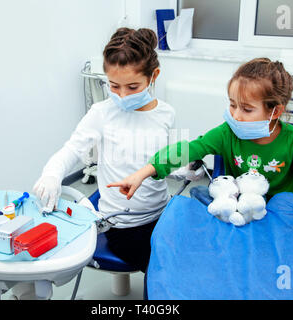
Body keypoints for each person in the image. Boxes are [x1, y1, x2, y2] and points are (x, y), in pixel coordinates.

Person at [33, 27, 200, 275]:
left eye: (132, 86)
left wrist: (187, 170)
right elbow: (71, 150)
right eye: (114, 86)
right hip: (123, 225)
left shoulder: (166, 113)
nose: (122, 95)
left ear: (154, 75)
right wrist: (52, 174)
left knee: (196, 252)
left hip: (162, 213)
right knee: (166, 269)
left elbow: (165, 161)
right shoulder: (102, 113)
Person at [107, 57, 293, 226]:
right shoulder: (227, 133)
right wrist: (144, 172)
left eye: (247, 109)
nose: (236, 115)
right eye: (232, 104)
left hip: (284, 214)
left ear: (276, 111)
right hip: (242, 213)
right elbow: (189, 149)